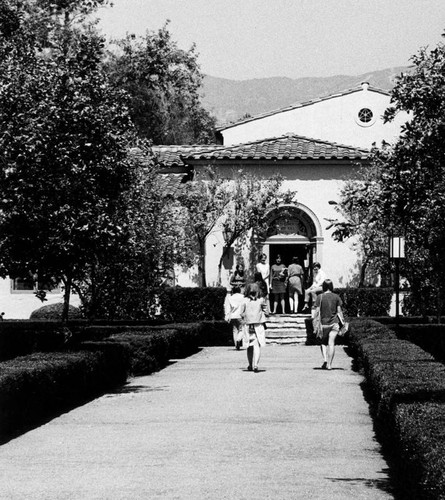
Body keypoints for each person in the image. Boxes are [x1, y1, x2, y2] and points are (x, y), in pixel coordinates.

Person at [313, 279, 345, 370]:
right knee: (331, 343)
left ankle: (325, 360)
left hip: (323, 324)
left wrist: (314, 320)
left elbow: (317, 311)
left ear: (323, 286)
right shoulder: (336, 297)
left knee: (323, 342)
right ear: (331, 286)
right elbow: (339, 311)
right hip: (334, 323)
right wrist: (343, 321)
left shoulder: (320, 297)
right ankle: (330, 365)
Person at [242, 283, 268, 372]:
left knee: (249, 346)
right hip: (258, 325)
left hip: (248, 325)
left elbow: (241, 312)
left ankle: (250, 364)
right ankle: (256, 365)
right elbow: (266, 311)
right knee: (257, 345)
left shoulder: (244, 300)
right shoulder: (261, 300)